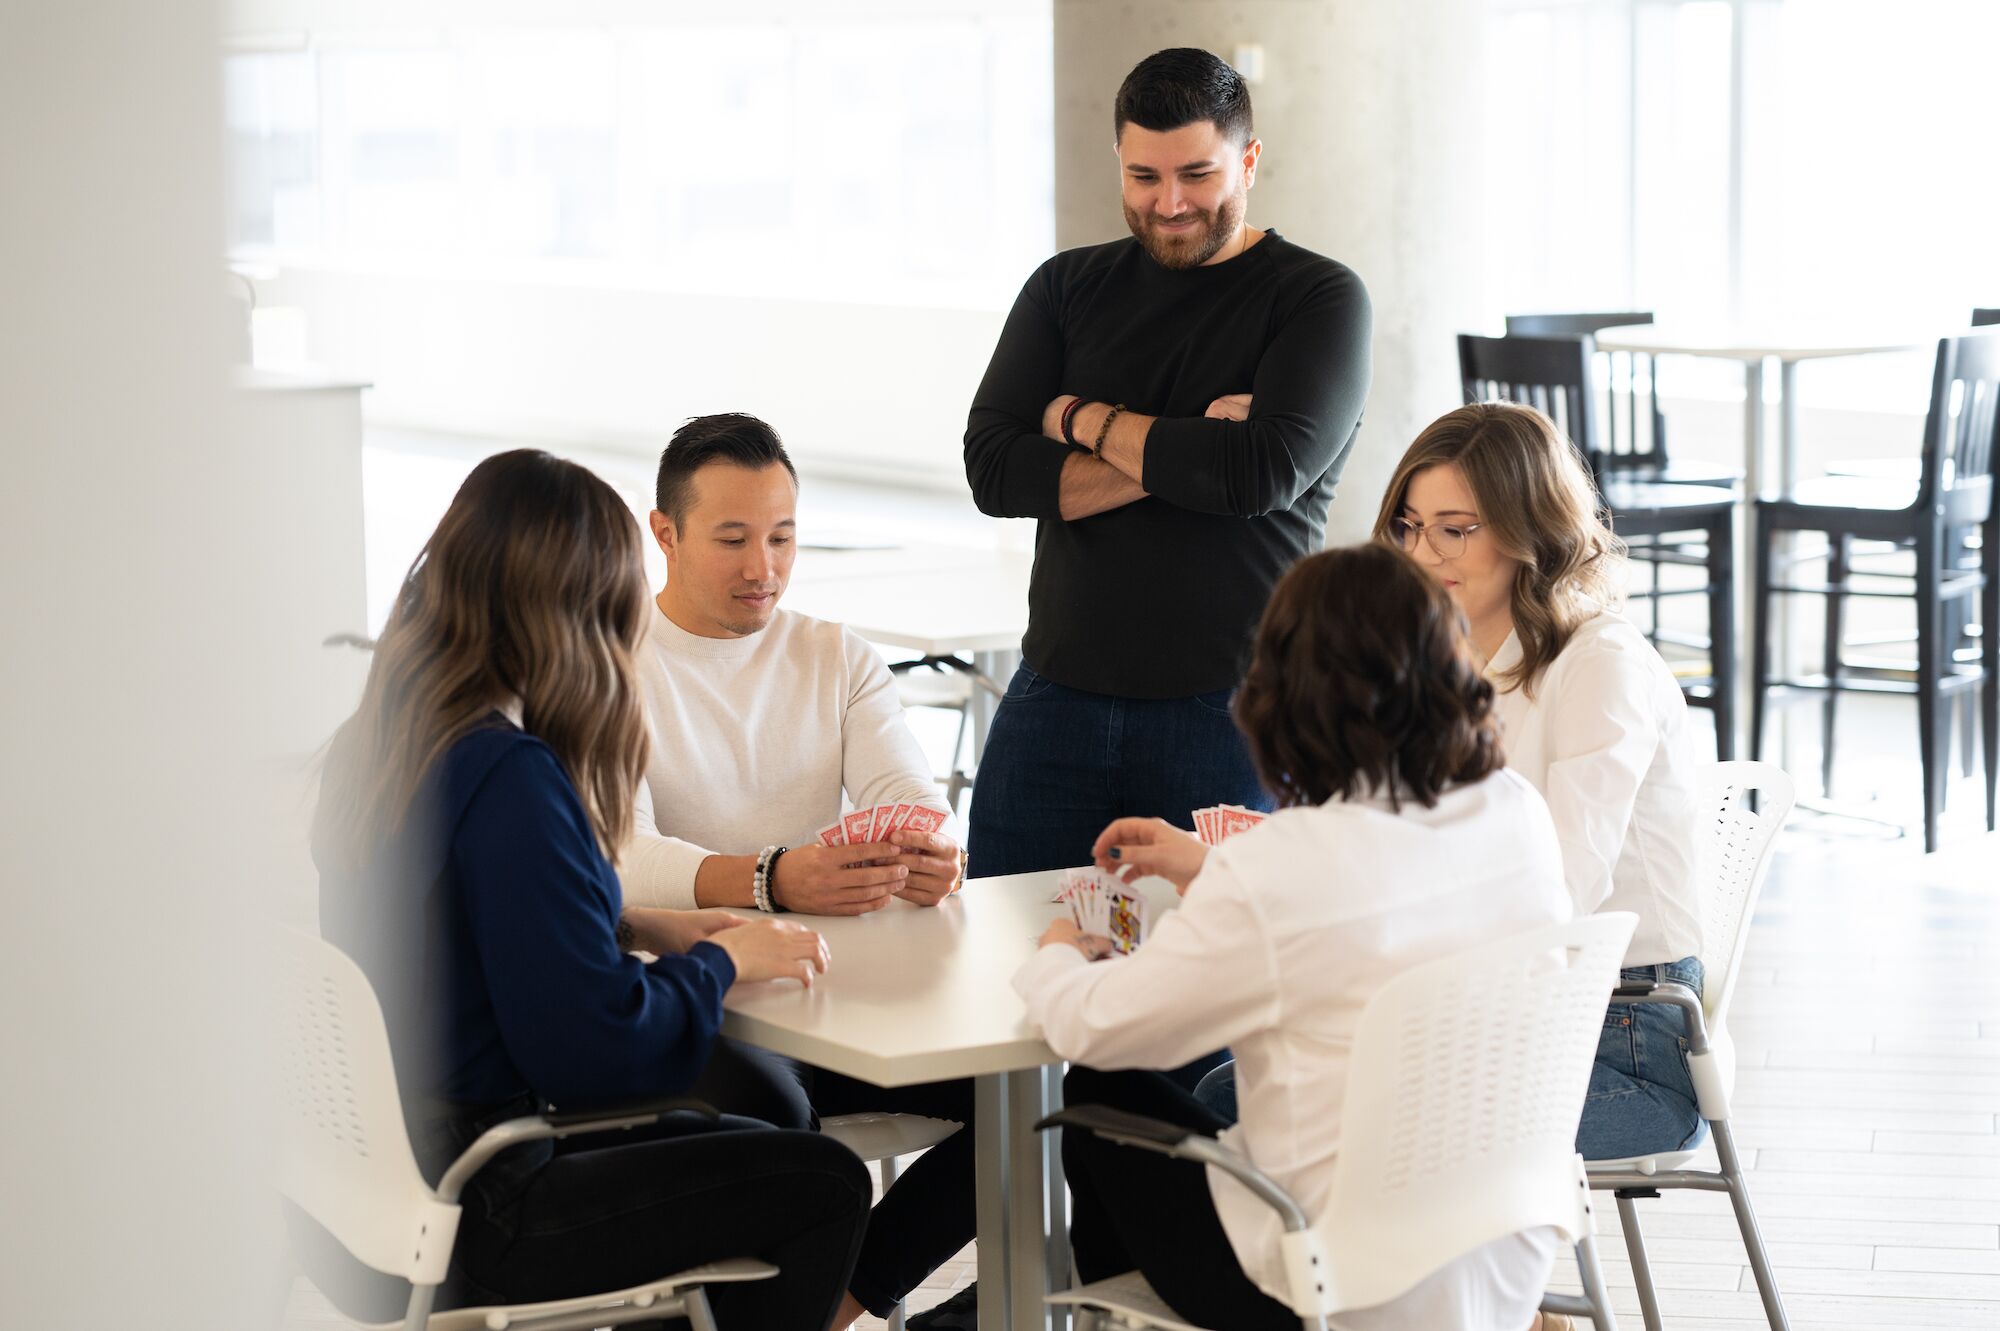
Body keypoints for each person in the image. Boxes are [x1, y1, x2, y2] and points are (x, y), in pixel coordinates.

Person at [309, 449, 866, 1329]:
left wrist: (642, 922)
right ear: (576, 611)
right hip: (486, 1198)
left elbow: (461, 925)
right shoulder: (511, 776)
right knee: (821, 1178)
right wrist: (719, 961)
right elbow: (595, 1051)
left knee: (752, 1141)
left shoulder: (388, 738)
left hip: (372, 1180)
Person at [1012, 543, 1573, 1331]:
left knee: (1102, 1094)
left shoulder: (1287, 864)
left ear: (1286, 695)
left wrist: (1058, 954)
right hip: (1500, 1256)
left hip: (1332, 1281)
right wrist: (1215, 869)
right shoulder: (1514, 809)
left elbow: (1093, 1025)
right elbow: (1365, 913)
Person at [962, 46, 1372, 884]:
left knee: (1216, 987)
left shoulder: (1319, 299)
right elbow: (995, 469)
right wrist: (1192, 441)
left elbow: (1257, 475)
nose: (1170, 203)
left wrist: (1075, 418)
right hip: (1053, 697)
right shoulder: (1064, 288)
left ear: (1248, 161)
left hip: (1233, 713)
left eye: (1197, 173)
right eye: (1143, 177)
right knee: (1006, 952)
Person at [618, 412, 978, 1331]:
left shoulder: (836, 654)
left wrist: (935, 851)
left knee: (1053, 1093)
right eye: (733, 539)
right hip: (701, 1002)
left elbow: (912, 794)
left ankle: (841, 1305)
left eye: (783, 537)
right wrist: (772, 877)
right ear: (664, 533)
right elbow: (618, 857)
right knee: (784, 1136)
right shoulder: (612, 662)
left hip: (837, 998)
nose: (763, 568)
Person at [1375, 401, 1708, 1167]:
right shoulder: (1440, 657)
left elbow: (1559, 899)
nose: (1424, 551)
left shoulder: (1599, 662)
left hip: (1626, 1044)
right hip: (1505, 1012)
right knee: (1237, 1095)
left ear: (1533, 532)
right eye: (1409, 524)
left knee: (1304, 1120)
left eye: (1456, 527)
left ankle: (1440, 1288)